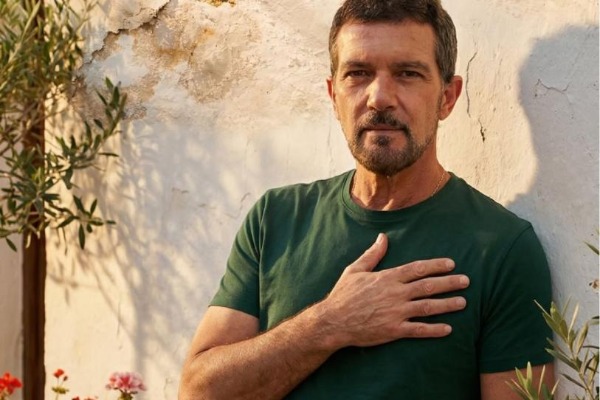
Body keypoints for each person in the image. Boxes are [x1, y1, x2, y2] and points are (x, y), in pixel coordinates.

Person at [179, 0, 554, 398]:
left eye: (407, 73)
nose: (379, 97)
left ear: (447, 97)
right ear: (333, 95)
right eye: (358, 73)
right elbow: (199, 392)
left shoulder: (502, 248)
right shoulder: (275, 219)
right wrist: (330, 323)